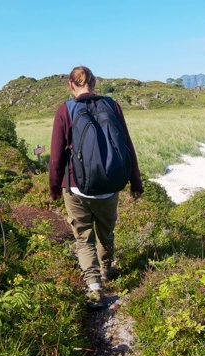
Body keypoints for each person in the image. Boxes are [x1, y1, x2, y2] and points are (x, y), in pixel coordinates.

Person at [49, 66, 144, 308]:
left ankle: (94, 287)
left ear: (71, 84)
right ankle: (106, 269)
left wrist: (53, 188)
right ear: (95, 82)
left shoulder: (65, 110)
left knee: (84, 238)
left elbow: (57, 156)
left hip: (76, 186)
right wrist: (135, 181)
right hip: (111, 186)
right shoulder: (113, 105)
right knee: (106, 232)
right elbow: (127, 145)